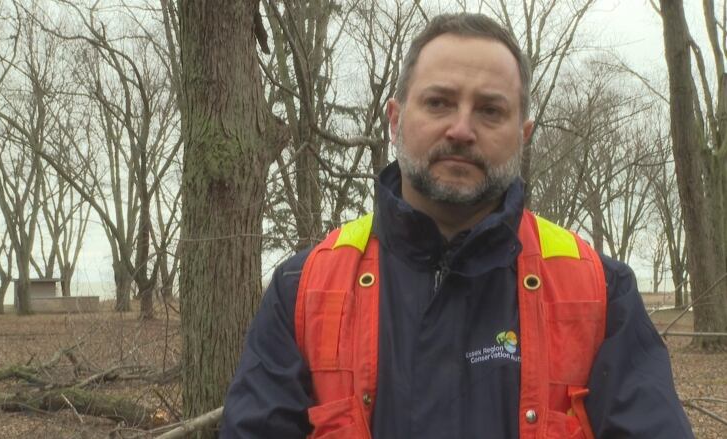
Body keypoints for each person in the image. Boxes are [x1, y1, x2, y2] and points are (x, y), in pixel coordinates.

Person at [220, 13, 694, 439]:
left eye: (490, 110)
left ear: (522, 136)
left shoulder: (598, 293)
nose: (462, 129)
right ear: (395, 118)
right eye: (439, 102)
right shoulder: (304, 290)